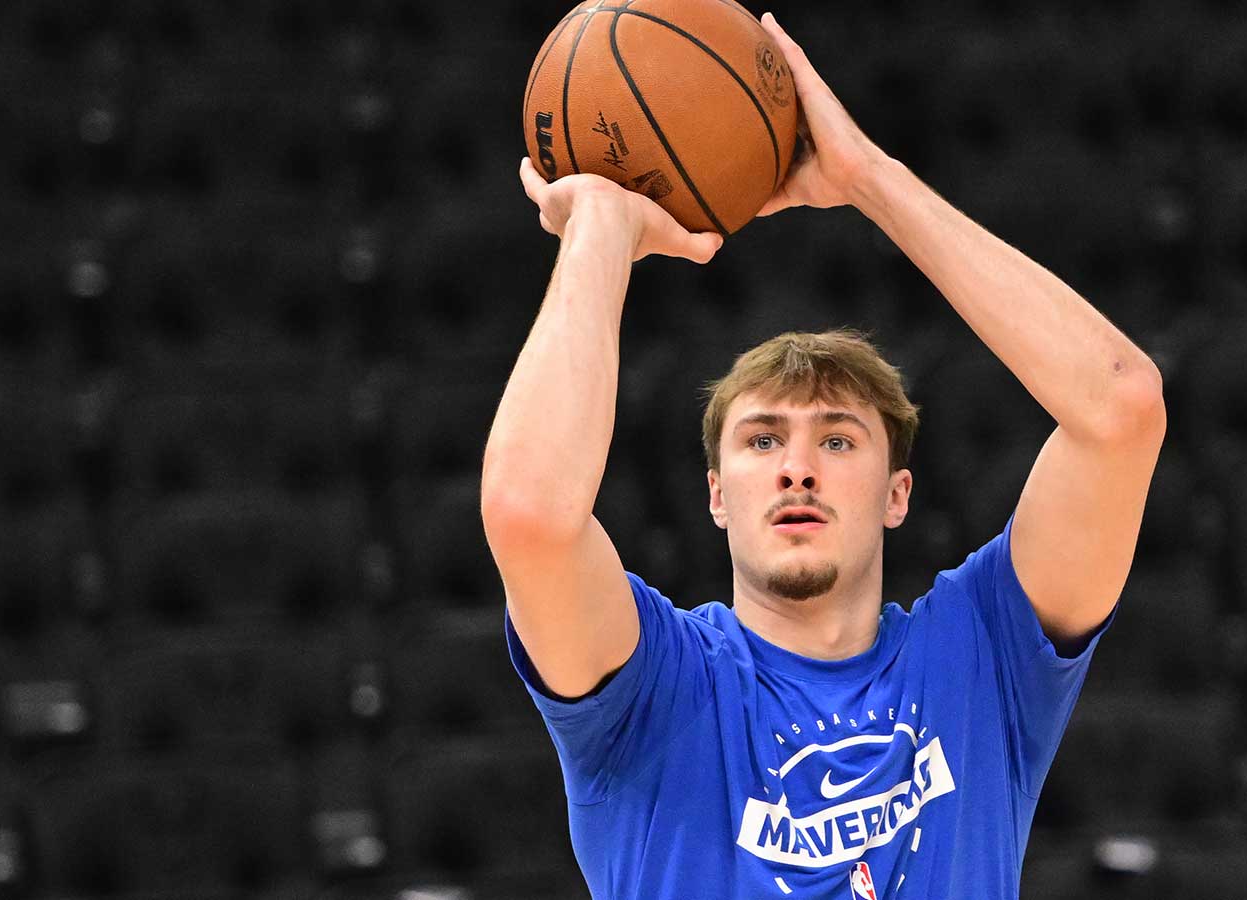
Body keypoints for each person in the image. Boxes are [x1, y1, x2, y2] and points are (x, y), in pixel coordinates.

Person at [482, 12, 1166, 899]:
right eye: (762, 440)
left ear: (897, 493)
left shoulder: (981, 656)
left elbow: (1121, 407)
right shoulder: (659, 684)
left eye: (838, 440)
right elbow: (530, 515)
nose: (797, 467)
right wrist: (600, 231)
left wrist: (870, 179)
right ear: (717, 495)